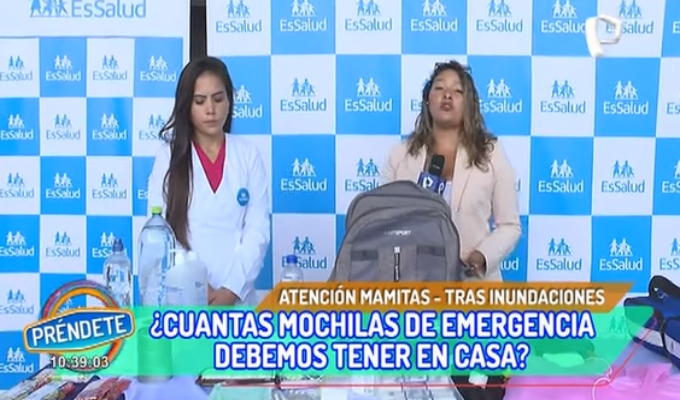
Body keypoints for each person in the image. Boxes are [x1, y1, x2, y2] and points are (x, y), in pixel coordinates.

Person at [147, 56, 270, 306]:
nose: (210, 110)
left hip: (237, 301)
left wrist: (231, 290)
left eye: (218, 99)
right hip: (183, 299)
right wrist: (196, 283)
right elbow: (160, 232)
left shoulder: (248, 155)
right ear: (186, 105)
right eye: (200, 101)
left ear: (229, 101)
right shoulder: (168, 158)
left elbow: (257, 231)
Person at [381, 60, 521, 281]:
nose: (447, 95)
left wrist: (481, 257)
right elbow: (383, 219)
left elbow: (510, 226)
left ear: (468, 104)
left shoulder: (491, 153)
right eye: (439, 88)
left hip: (473, 286)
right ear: (427, 100)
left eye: (457, 91)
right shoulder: (401, 154)